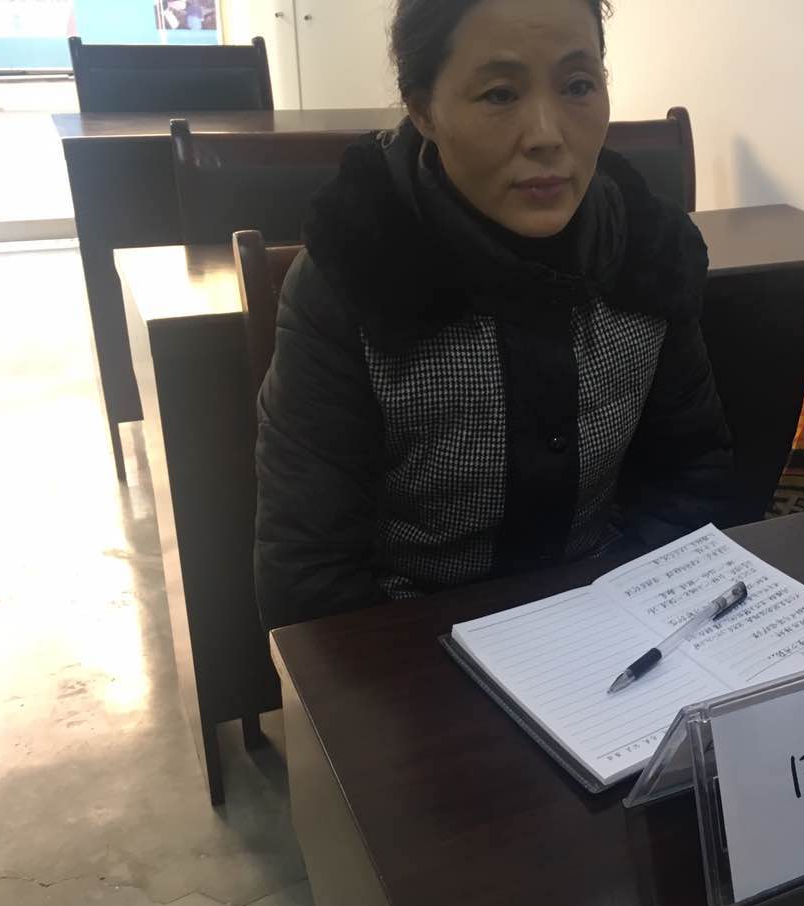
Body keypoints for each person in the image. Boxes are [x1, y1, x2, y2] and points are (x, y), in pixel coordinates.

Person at [254, 0, 734, 631]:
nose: (546, 135)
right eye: (500, 94)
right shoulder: (353, 275)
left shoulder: (648, 250)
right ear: (424, 109)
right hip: (411, 648)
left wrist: (634, 624)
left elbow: (690, 479)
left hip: (614, 627)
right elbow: (309, 576)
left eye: (578, 86)